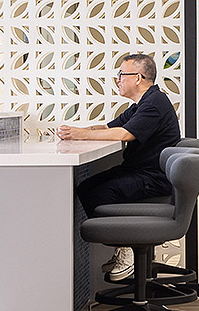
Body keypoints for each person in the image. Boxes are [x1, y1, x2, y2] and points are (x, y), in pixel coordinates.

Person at [58, 53, 183, 281]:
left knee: (97, 192)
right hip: (139, 172)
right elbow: (108, 127)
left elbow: (126, 133)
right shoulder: (141, 105)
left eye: (120, 75)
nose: (117, 80)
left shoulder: (154, 103)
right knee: (86, 188)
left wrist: (81, 135)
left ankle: (127, 248)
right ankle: (124, 246)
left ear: (137, 77)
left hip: (152, 178)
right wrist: (75, 132)